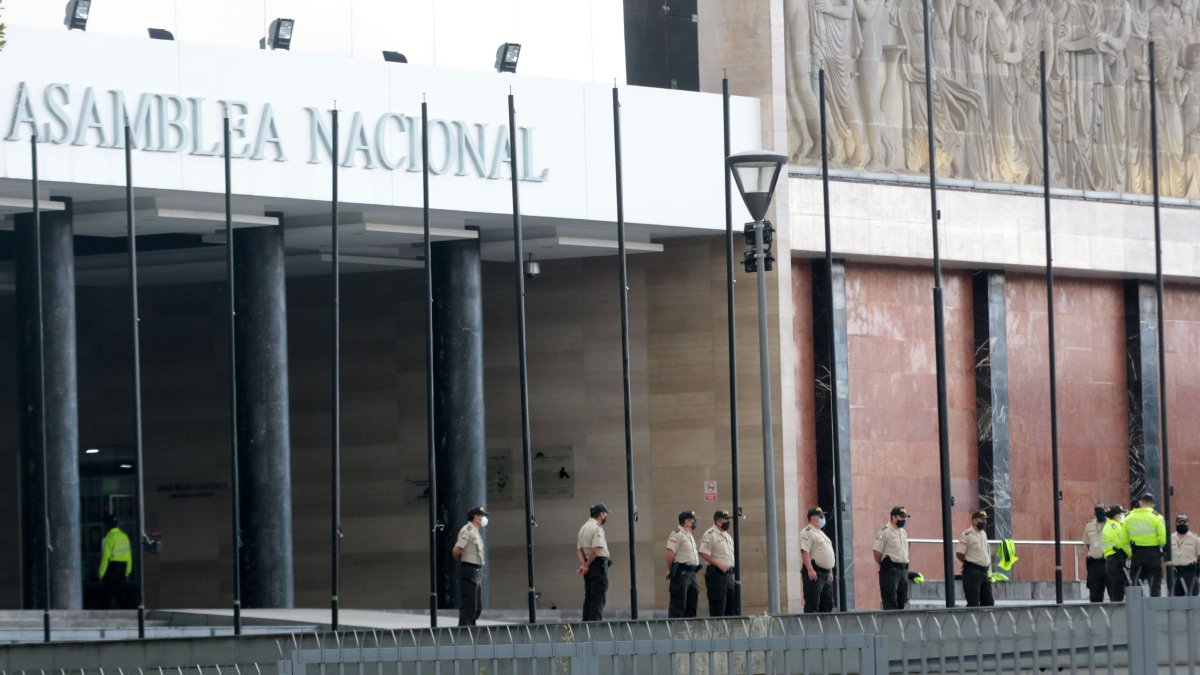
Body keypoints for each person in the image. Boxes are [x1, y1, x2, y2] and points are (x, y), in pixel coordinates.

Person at [1125, 492, 1168, 596]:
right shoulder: (1157, 517)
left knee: (1135, 583)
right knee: (1154, 584)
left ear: (1140, 503)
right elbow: (1162, 539)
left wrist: (1130, 553)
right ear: (1153, 504)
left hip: (1137, 554)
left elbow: (1123, 539)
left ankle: (1136, 604)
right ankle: (1155, 604)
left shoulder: (1129, 517)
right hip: (1153, 554)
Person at [451, 506, 487, 627]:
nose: (484, 518)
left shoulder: (476, 532)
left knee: (477, 606)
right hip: (469, 569)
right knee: (469, 604)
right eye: (482, 516)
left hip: (477, 571)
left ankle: (471, 626)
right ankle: (465, 630)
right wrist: (465, 561)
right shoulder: (468, 530)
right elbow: (456, 550)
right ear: (475, 517)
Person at [698, 509, 737, 616]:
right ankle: (718, 627)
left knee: (731, 608)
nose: (728, 522)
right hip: (717, 574)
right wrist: (719, 564)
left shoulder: (727, 536)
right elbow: (703, 552)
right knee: (718, 607)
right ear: (718, 521)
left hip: (728, 575)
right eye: (726, 520)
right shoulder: (710, 534)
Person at [576, 503, 610, 621]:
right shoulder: (597, 528)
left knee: (589, 598)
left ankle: (586, 626)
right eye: (605, 514)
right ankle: (595, 627)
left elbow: (579, 550)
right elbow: (595, 550)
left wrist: (584, 565)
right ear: (601, 514)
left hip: (588, 565)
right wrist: (587, 565)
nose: (606, 516)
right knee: (598, 598)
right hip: (597, 565)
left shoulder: (583, 528)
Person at [873, 506, 911, 610]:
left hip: (903, 570)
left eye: (905, 517)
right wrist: (884, 565)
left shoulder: (903, 532)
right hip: (890, 570)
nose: (904, 519)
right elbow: (877, 552)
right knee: (890, 602)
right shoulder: (884, 531)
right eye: (901, 517)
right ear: (893, 517)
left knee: (902, 602)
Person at [800, 506, 836, 613]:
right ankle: (811, 624)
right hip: (815, 572)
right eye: (820, 516)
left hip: (825, 573)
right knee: (813, 603)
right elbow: (805, 552)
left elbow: (826, 553)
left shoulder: (821, 533)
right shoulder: (807, 532)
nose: (822, 518)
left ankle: (824, 624)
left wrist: (830, 570)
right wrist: (810, 570)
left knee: (827, 604)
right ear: (812, 518)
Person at [665, 510, 700, 618]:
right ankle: (676, 627)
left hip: (692, 573)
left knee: (691, 603)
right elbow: (670, 554)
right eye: (693, 521)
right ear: (686, 522)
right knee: (678, 604)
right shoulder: (677, 534)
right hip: (681, 573)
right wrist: (671, 569)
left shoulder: (689, 535)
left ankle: (689, 628)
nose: (695, 523)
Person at [956, 510, 994, 607]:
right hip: (972, 572)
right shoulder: (966, 535)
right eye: (982, 520)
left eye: (985, 520)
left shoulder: (983, 534)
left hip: (984, 572)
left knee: (989, 603)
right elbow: (959, 554)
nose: (984, 522)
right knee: (973, 603)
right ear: (974, 520)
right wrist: (971, 562)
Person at [98, 514, 133, 609]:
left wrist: (101, 574)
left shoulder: (108, 538)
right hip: (123, 567)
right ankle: (129, 610)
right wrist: (128, 571)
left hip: (112, 568)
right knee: (120, 593)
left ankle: (108, 612)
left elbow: (105, 558)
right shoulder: (124, 536)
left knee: (108, 594)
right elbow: (129, 556)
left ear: (107, 525)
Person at [1102, 504, 1131, 602]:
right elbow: (1122, 543)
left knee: (1116, 588)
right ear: (1115, 515)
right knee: (1118, 590)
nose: (1121, 516)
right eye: (1120, 514)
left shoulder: (1109, 525)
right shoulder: (1114, 526)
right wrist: (1131, 554)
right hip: (1116, 559)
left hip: (1112, 560)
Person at [1081, 502, 1109, 602]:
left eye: (1102, 511)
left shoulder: (1111, 525)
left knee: (1114, 592)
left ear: (1106, 512)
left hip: (1108, 562)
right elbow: (1087, 544)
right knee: (1095, 594)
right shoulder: (1089, 526)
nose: (1099, 513)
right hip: (1094, 564)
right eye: (1097, 511)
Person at [1169, 514, 1200, 596]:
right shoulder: (1170, 538)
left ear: (1188, 523)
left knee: (1192, 599)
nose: (1182, 524)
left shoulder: (1195, 538)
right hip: (1175, 574)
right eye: (1180, 522)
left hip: (1190, 573)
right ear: (1176, 523)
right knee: (1176, 600)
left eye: (1184, 522)